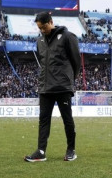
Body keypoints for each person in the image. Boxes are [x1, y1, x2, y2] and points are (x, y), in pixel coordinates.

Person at [24, 11, 81, 162]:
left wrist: (69, 80)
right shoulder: (40, 41)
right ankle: (41, 151)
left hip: (63, 86)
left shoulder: (68, 37)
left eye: (43, 27)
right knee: (43, 120)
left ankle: (71, 150)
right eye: (39, 28)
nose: (42, 30)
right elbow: (43, 63)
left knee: (67, 119)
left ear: (50, 21)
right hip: (45, 87)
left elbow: (76, 61)